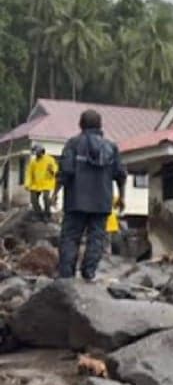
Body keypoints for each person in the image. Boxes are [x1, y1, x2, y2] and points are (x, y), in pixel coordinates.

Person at [53, 110, 126, 281]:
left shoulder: (72, 144)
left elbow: (66, 171)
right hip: (102, 203)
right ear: (100, 126)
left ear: (81, 124)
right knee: (97, 238)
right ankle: (89, 272)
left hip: (75, 201)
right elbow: (121, 175)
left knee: (70, 238)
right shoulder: (111, 147)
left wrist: (55, 193)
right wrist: (122, 197)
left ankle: (66, 276)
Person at [25, 145, 58, 221]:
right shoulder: (33, 162)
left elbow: (55, 168)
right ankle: (38, 214)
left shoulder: (49, 159)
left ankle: (47, 214)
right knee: (33, 199)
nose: (36, 154)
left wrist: (52, 171)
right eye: (35, 153)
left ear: (41, 152)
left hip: (46, 183)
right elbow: (29, 173)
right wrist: (27, 183)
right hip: (35, 184)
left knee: (46, 198)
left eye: (37, 152)